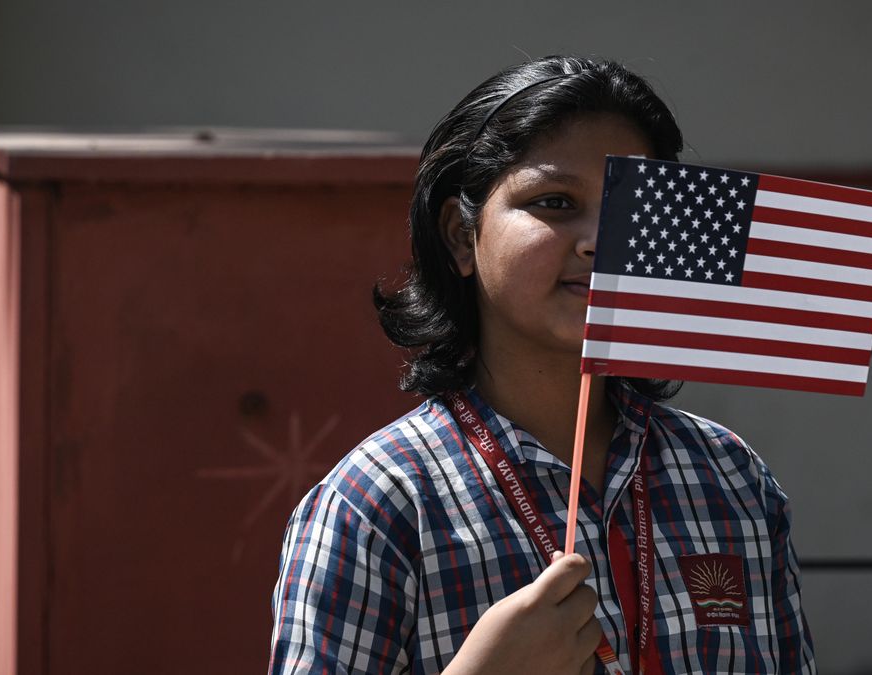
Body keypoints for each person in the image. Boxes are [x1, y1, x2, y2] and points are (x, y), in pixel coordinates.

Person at [268, 55, 815, 675]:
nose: (597, 240)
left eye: (631, 210)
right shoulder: (380, 503)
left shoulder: (733, 479)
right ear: (459, 236)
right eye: (555, 202)